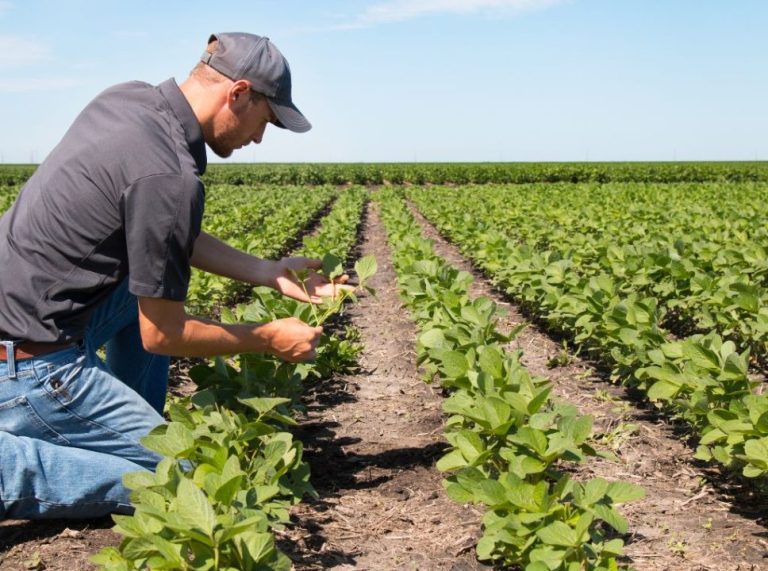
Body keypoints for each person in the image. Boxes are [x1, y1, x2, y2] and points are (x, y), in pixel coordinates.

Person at [0, 32, 346, 520]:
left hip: (25, 325)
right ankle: (16, 460)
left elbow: (161, 231)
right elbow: (163, 334)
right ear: (239, 92)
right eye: (266, 120)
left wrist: (269, 273)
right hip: (30, 366)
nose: (260, 138)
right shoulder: (170, 176)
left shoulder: (129, 100)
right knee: (188, 484)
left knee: (135, 287)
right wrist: (268, 338)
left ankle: (121, 428)